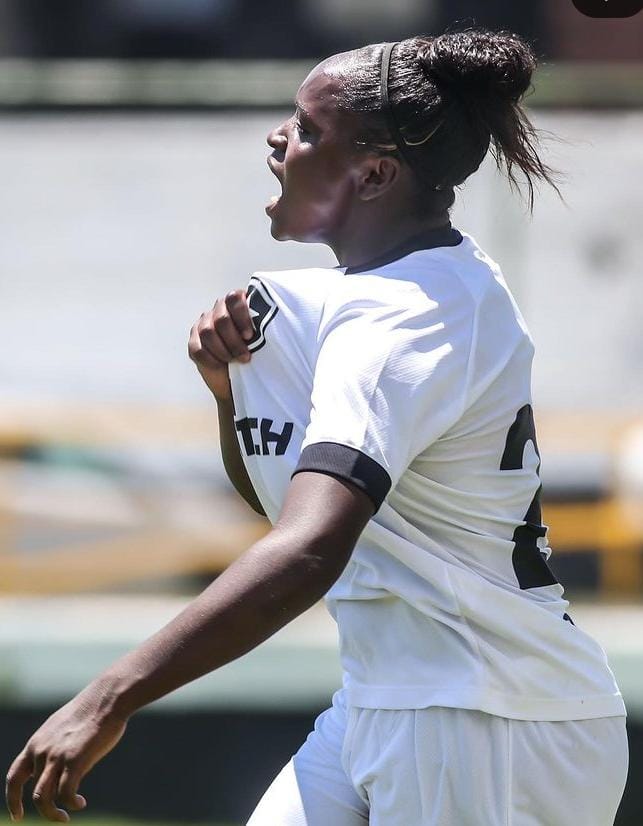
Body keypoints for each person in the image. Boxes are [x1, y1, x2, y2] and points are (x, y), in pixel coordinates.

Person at [5, 29, 628, 826]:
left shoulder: (403, 318)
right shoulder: (401, 287)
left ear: (374, 174)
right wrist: (230, 399)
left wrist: (108, 696)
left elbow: (307, 550)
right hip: (390, 698)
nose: (278, 137)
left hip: (488, 718)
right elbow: (290, 517)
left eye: (306, 128)